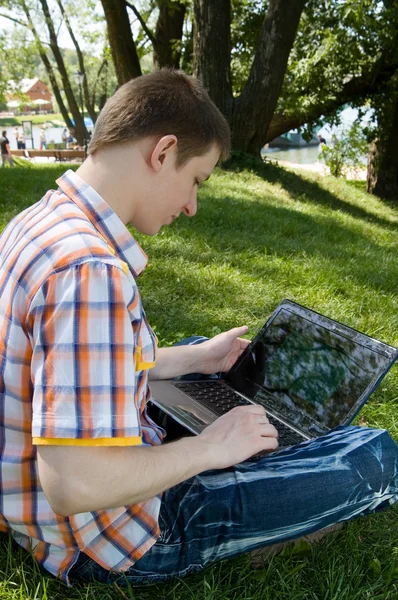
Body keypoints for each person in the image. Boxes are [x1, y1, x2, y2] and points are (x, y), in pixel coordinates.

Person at [0, 70, 397, 588]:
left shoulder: (40, 222)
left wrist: (196, 359)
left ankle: (250, 431)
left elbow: (68, 367)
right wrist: (210, 449)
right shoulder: (89, 272)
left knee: (193, 354)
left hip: (28, 505)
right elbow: (74, 484)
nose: (191, 205)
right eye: (197, 180)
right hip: (112, 538)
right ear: (163, 152)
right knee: (376, 451)